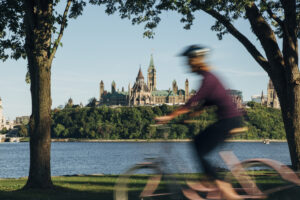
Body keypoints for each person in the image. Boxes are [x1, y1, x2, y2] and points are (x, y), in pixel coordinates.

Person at [155, 45, 243, 199]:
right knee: (200, 148)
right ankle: (209, 177)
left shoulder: (208, 79)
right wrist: (191, 115)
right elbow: (205, 103)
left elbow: (192, 102)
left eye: (189, 61)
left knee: (198, 147)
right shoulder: (209, 77)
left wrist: (169, 117)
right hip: (230, 120)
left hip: (228, 120)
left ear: (196, 61)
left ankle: (226, 189)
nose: (187, 65)